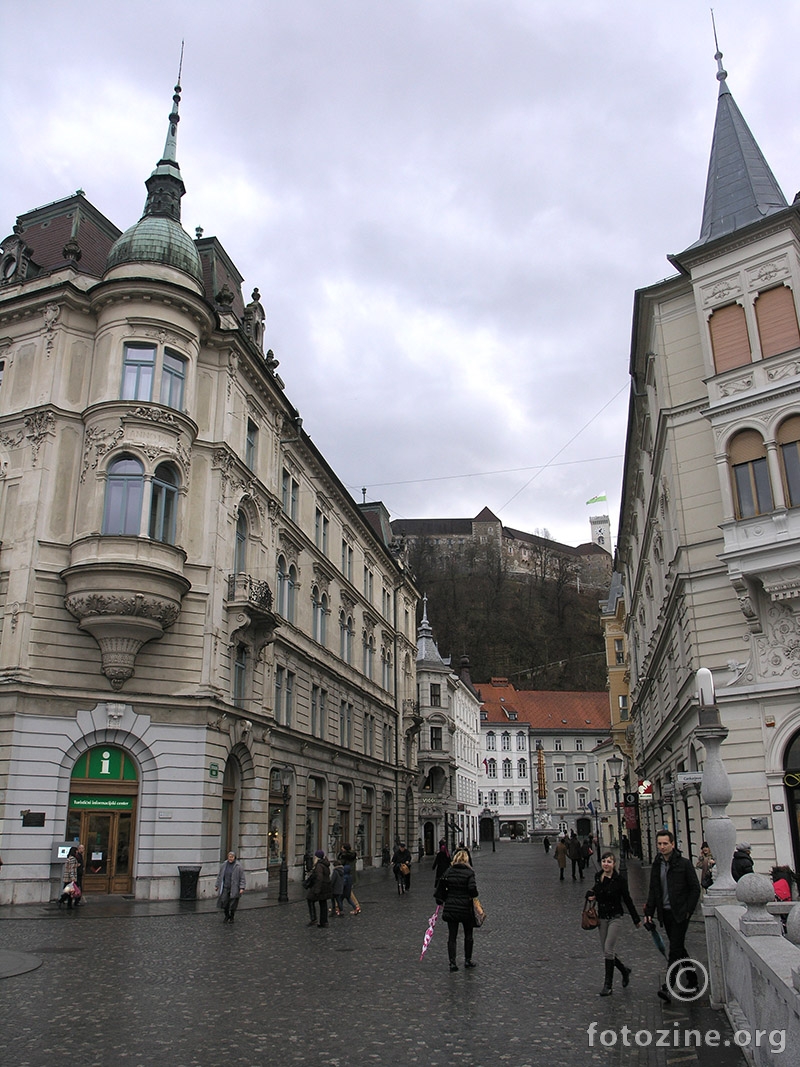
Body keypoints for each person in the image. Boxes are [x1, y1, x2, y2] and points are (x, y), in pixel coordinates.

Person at [644, 830, 701, 1003]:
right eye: (659, 844)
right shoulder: (657, 864)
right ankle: (692, 981)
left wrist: (688, 911)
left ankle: (668, 987)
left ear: (673, 844)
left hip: (680, 914)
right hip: (665, 913)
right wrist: (649, 913)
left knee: (675, 949)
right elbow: (654, 890)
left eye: (665, 843)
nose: (662, 847)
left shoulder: (684, 864)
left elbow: (695, 889)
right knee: (679, 949)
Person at [586, 851, 641, 996]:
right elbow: (596, 892)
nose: (606, 864)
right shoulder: (598, 877)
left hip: (615, 917)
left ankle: (608, 985)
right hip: (602, 918)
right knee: (606, 951)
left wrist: (636, 918)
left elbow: (627, 899)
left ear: (614, 864)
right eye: (604, 861)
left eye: (609, 861)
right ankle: (624, 970)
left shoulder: (619, 880)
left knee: (609, 949)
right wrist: (591, 895)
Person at [434, 847, 479, 971]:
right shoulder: (469, 873)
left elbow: (440, 890)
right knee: (468, 935)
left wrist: (443, 900)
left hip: (451, 907)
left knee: (452, 936)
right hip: (466, 908)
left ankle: (452, 963)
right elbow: (473, 891)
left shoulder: (449, 871)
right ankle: (467, 960)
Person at [215, 850, 246, 923]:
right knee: (224, 901)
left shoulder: (238, 866)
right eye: (229, 857)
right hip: (225, 887)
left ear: (234, 858)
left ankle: (232, 916)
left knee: (233, 903)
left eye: (232, 857)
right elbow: (220, 876)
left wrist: (242, 887)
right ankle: (226, 915)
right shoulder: (224, 865)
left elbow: (242, 878)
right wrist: (217, 885)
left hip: (234, 887)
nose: (230, 858)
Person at [305, 849, 332, 926]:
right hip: (325, 886)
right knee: (323, 903)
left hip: (320, 887)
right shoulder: (325, 864)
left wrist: (317, 890)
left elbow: (319, 878)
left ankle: (314, 919)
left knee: (310, 899)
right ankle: (324, 921)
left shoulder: (319, 866)